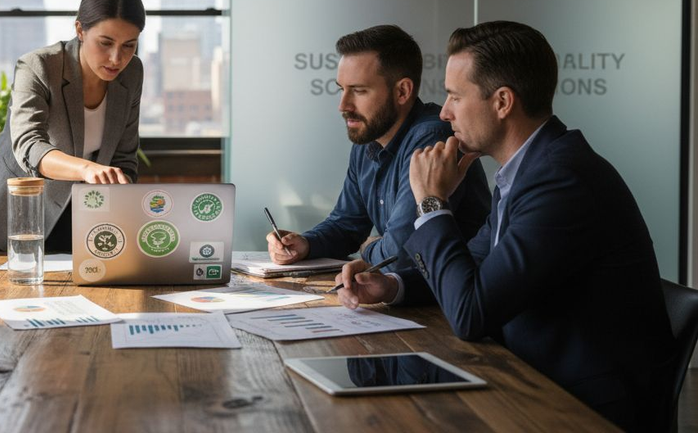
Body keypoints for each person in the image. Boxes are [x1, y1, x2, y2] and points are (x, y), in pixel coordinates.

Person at [334, 21, 672, 430]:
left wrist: (431, 202)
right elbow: (474, 272)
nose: (444, 112)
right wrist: (392, 285)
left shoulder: (560, 180)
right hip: (527, 382)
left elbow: (472, 313)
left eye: (456, 97)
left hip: (579, 411)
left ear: (502, 102)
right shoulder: (527, 171)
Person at [267, 25, 490, 270]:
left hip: (448, 299)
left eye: (359, 91)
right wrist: (306, 244)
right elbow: (347, 224)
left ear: (402, 91)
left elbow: (400, 257)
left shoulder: (433, 137)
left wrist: (368, 247)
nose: (343, 105)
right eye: (342, 90)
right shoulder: (369, 137)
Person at [0, 0, 145, 252]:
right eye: (105, 43)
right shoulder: (39, 66)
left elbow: (125, 156)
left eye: (129, 45)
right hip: (18, 212)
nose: (116, 58)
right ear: (80, 30)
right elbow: (29, 145)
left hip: (85, 216)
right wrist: (86, 169)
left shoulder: (132, 73)